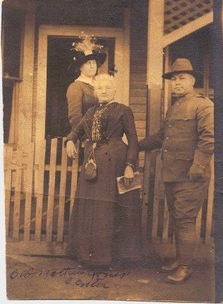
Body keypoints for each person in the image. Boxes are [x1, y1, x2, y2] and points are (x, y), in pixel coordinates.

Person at [139, 58, 214, 283]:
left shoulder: (203, 105)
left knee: (185, 220)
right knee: (178, 218)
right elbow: (161, 137)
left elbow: (209, 139)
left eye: (181, 78)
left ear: (192, 80)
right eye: (173, 79)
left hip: (191, 175)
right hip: (173, 174)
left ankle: (185, 267)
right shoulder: (175, 107)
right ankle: (180, 260)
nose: (177, 83)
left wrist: (198, 166)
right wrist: (134, 145)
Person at [65, 73, 141, 268]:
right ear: (96, 92)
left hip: (114, 164)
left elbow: (133, 141)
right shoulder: (90, 112)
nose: (104, 91)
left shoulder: (123, 110)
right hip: (92, 166)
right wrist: (70, 141)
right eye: (100, 88)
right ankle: (87, 255)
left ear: (114, 90)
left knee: (107, 210)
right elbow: (77, 130)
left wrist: (130, 165)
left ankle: (106, 258)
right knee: (90, 209)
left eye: (107, 87)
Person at [67, 32, 107, 129]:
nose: (92, 66)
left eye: (94, 62)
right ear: (80, 67)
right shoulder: (76, 86)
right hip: (85, 137)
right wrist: (88, 137)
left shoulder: (99, 85)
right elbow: (75, 117)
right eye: (88, 63)